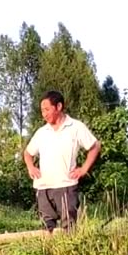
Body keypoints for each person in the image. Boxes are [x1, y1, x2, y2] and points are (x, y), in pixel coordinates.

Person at [24, 90, 101, 232]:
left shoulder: (75, 127)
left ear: (58, 107)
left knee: (69, 228)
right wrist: (31, 167)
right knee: (47, 229)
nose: (44, 114)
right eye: (42, 111)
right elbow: (28, 153)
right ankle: (48, 253)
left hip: (66, 185)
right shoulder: (42, 132)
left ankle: (69, 253)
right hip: (43, 186)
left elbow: (95, 146)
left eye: (47, 109)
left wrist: (84, 169)